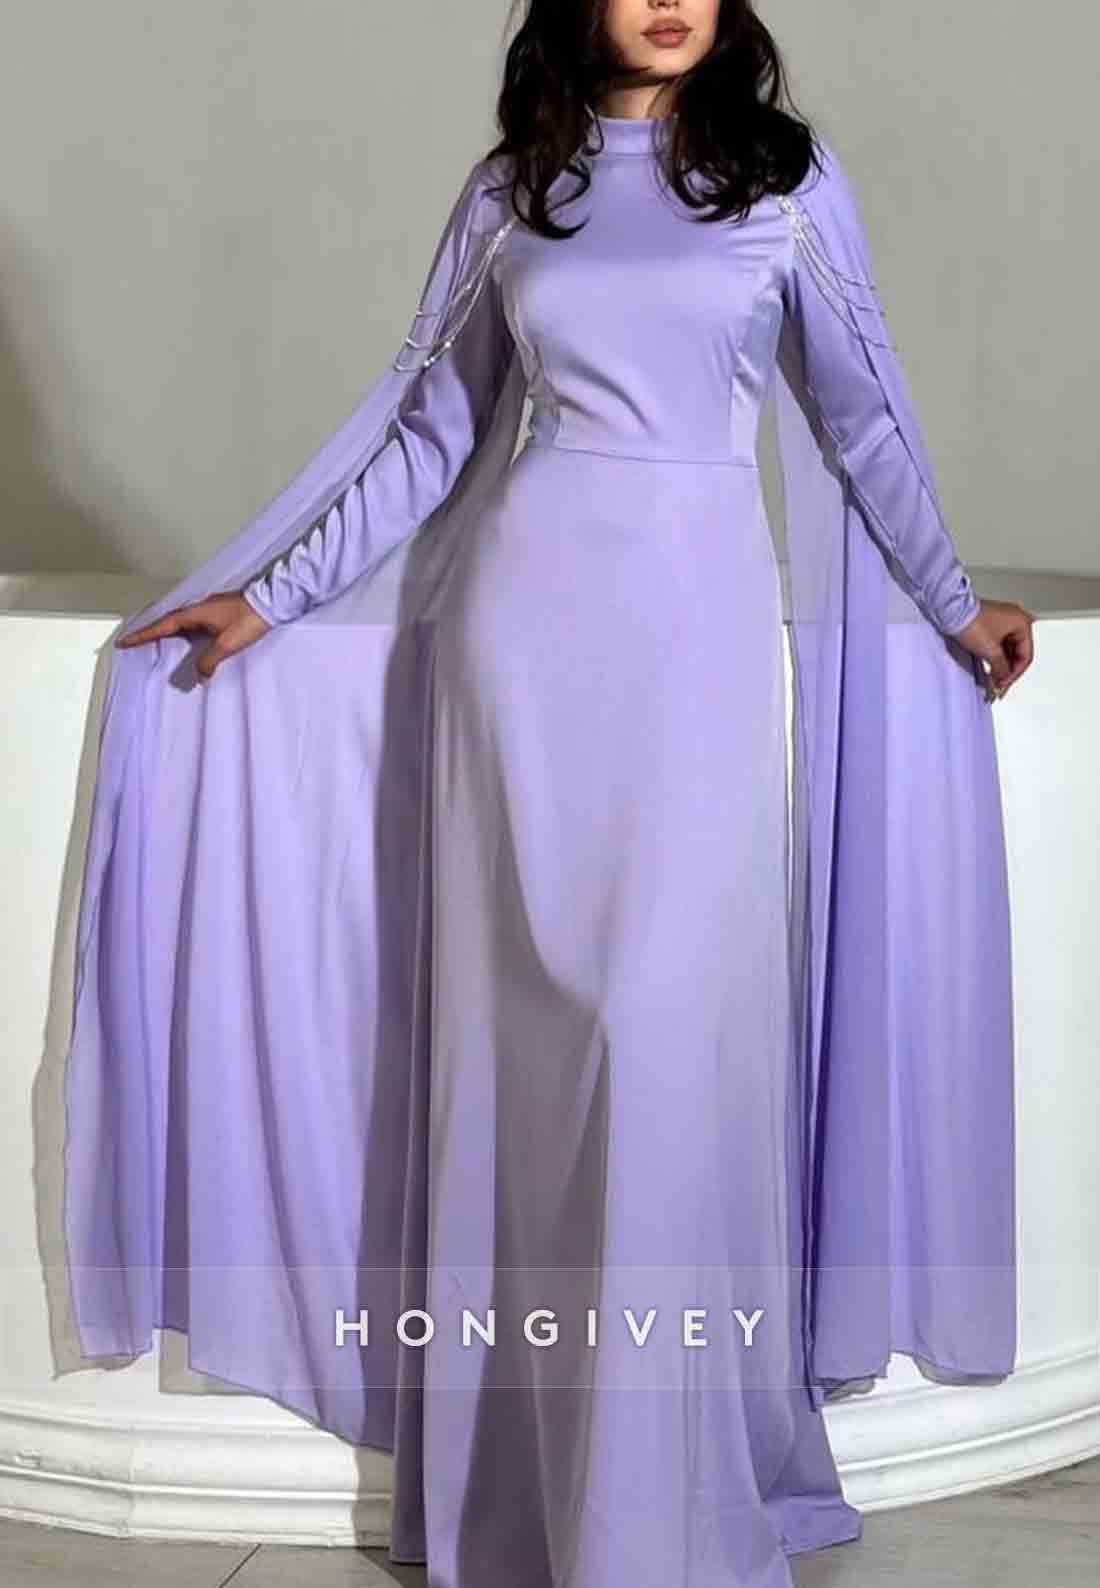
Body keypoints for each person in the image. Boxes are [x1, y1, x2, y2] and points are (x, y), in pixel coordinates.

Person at [66, 4, 1033, 1586]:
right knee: (525, 1071)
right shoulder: (515, 186)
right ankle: (527, 1500)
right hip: (520, 648)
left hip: (697, 645)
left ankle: (656, 1509)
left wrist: (947, 598)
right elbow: (431, 431)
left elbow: (863, 414)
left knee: (659, 1044)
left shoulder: (785, 183)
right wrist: (271, 597)